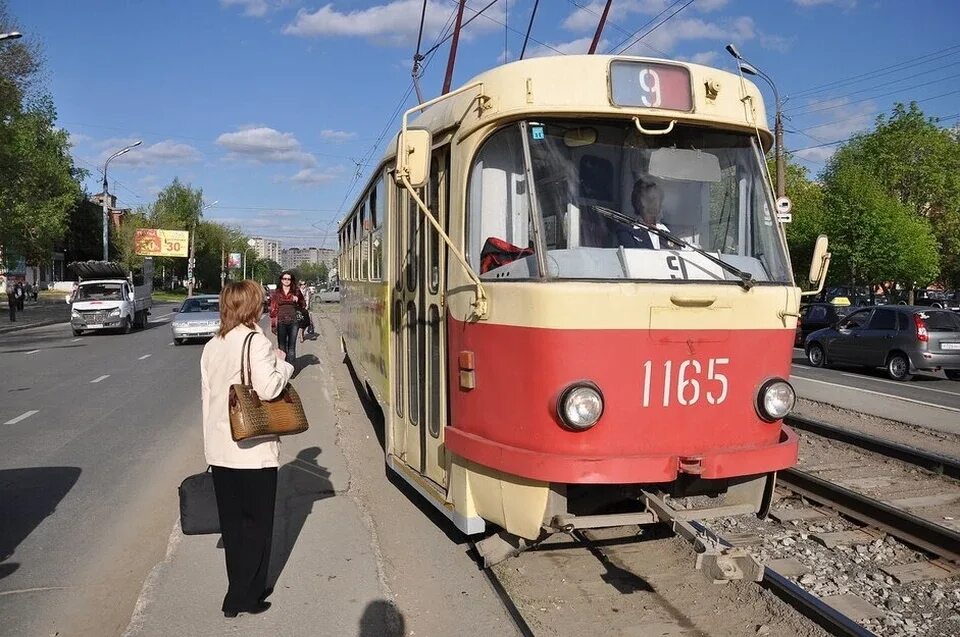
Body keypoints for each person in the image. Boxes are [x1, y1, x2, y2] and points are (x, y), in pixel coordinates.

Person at [201, 280, 294, 618]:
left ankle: (235, 592)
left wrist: (209, 445)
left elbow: (207, 398)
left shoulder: (213, 344)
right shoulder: (256, 341)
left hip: (220, 448)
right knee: (257, 524)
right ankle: (247, 596)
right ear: (251, 305)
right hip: (252, 448)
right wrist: (283, 363)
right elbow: (269, 388)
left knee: (233, 525)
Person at [614, 175, 672, 249]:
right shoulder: (627, 231)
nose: (655, 203)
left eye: (656, 198)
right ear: (637, 202)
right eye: (649, 198)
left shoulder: (667, 233)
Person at [270, 271, 306, 361]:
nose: (286, 281)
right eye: (284, 279)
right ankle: (283, 368)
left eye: (289, 279)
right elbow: (273, 309)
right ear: (281, 280)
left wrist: (298, 301)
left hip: (294, 322)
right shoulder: (277, 292)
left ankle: (291, 368)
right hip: (281, 322)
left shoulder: (296, 291)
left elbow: (303, 305)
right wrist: (273, 325)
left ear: (291, 280)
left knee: (291, 346)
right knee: (282, 346)